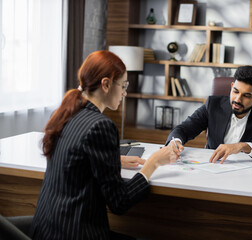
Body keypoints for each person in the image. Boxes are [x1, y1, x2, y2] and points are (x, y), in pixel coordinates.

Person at [29, 50, 179, 240]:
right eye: (123, 85)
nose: (125, 92)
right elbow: (119, 202)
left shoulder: (65, 113)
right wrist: (153, 164)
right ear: (106, 84)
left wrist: (112, 160)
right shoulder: (101, 126)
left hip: (45, 230)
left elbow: (74, 159)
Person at [166, 65, 252, 162]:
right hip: (212, 167)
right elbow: (184, 129)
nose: (237, 99)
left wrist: (242, 146)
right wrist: (175, 141)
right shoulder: (213, 105)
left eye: (246, 96)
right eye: (235, 91)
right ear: (231, 87)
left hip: (249, 175)